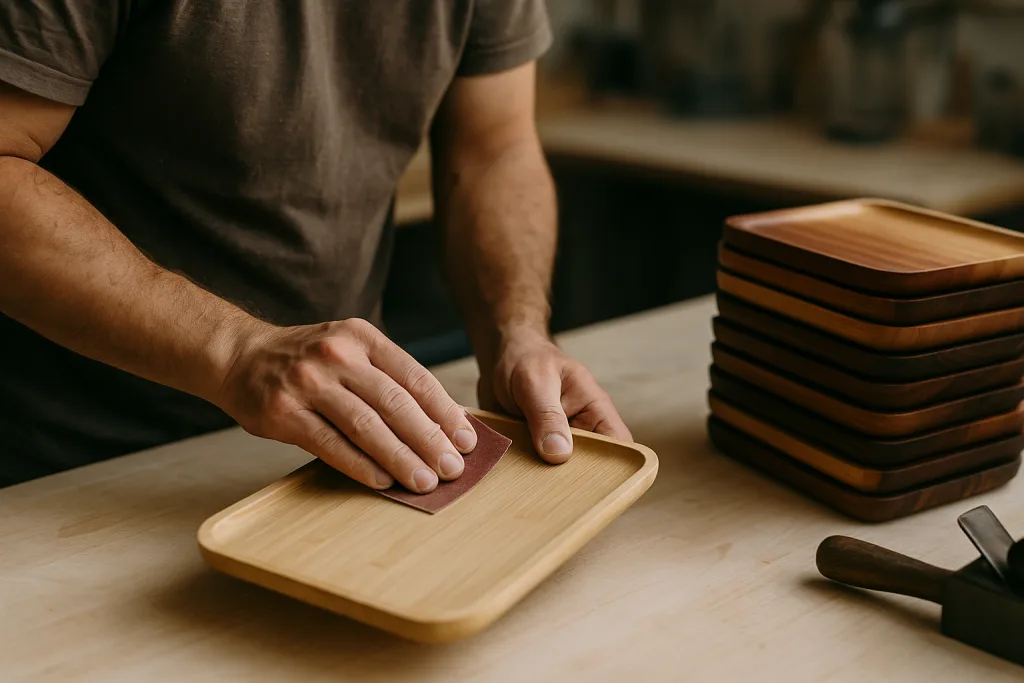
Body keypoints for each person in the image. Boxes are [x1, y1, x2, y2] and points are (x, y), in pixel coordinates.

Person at [0, 1, 631, 491]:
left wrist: (514, 330)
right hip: (76, 464)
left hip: (344, 449)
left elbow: (495, 148)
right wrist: (235, 351)